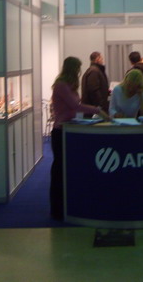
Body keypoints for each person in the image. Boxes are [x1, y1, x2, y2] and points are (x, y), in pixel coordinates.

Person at [50, 56, 108, 220]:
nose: (78, 71)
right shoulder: (61, 85)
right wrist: (98, 110)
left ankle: (66, 207)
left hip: (69, 129)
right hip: (60, 131)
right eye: (77, 68)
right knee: (59, 171)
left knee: (66, 170)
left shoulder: (69, 85)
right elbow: (75, 106)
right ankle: (57, 210)